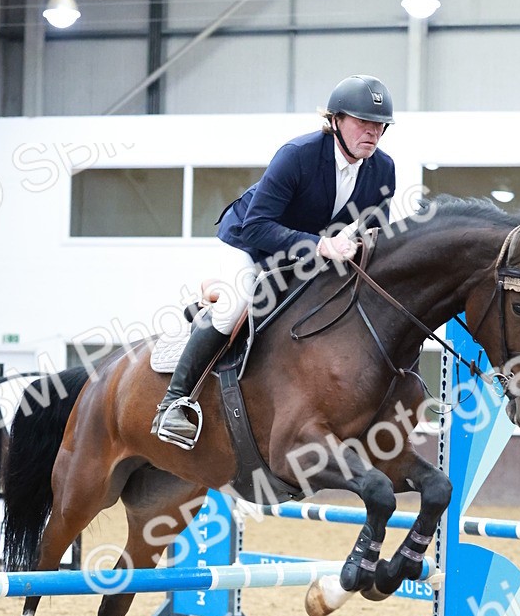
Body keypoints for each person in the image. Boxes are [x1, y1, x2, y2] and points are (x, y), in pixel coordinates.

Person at [151, 74, 397, 446]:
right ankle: (174, 402)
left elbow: (377, 235)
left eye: (380, 125)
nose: (373, 133)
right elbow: (256, 226)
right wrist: (319, 246)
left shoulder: (383, 169)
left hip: (301, 253)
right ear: (335, 121)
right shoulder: (298, 154)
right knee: (235, 307)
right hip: (248, 242)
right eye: (363, 122)